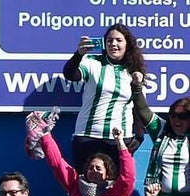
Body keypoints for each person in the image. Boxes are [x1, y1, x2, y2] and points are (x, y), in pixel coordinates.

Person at [62, 24, 148, 170]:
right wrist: (78, 54)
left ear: (127, 44)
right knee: (85, 189)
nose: (113, 44)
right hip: (88, 136)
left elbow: (139, 107)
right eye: (109, 40)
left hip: (119, 140)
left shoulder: (134, 70)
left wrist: (139, 137)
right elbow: (71, 74)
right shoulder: (93, 62)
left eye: (118, 40)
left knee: (116, 190)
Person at [131, 75, 190, 196]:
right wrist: (136, 87)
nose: (176, 120)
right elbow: (143, 111)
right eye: (173, 115)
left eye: (182, 116)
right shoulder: (162, 130)